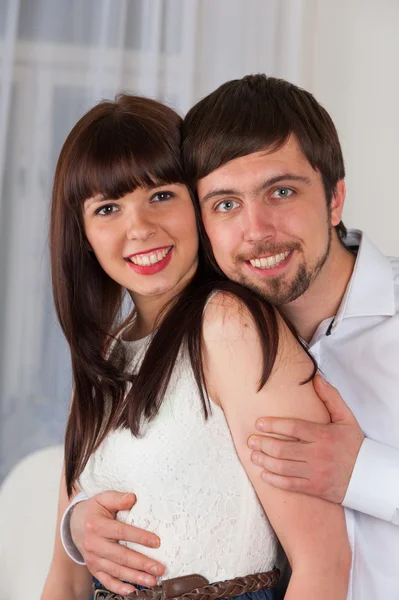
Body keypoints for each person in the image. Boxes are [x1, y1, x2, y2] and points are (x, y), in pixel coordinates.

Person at [62, 75, 399, 600]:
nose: (256, 229)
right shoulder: (210, 333)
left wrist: (364, 472)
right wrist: (80, 523)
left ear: (335, 200)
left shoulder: (233, 327)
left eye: (281, 191)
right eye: (224, 204)